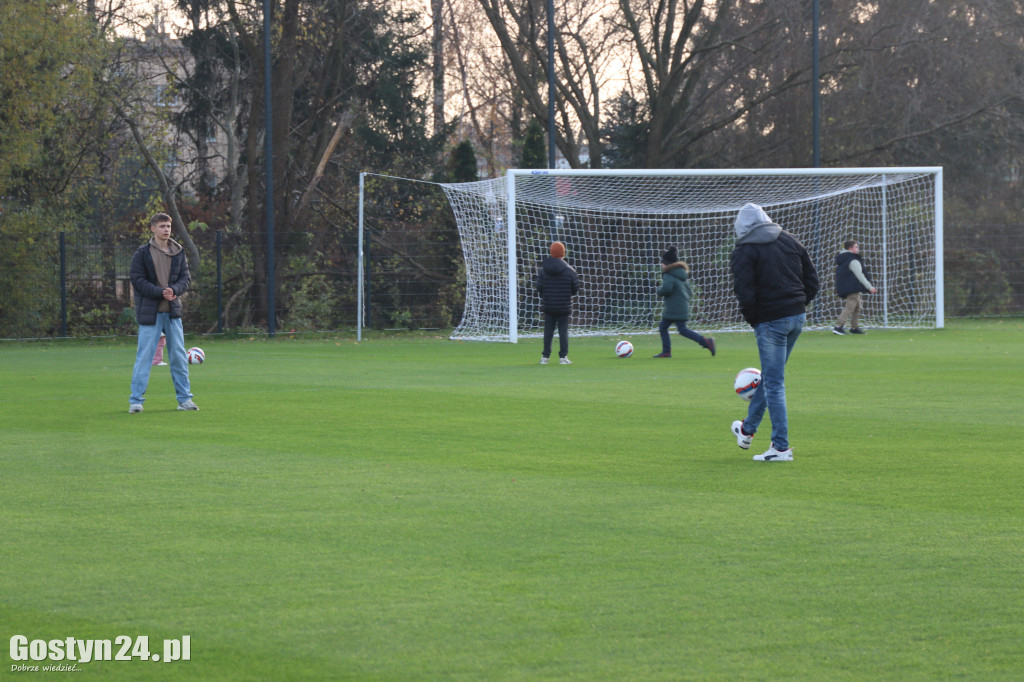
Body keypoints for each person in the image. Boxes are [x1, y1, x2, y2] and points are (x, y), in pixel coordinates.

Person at [729, 203, 818, 462]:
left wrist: (756, 320)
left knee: (775, 384)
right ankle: (746, 431)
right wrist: (798, 306)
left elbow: (745, 292)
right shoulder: (790, 239)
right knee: (770, 378)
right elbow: (812, 281)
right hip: (796, 317)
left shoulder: (744, 250)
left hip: (771, 321)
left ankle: (780, 448)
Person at [128, 212, 198, 413]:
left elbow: (185, 278)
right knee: (145, 357)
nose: (166, 229)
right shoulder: (142, 253)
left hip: (173, 314)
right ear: (152, 229)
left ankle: (185, 400)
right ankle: (136, 401)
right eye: (161, 226)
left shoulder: (178, 251)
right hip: (151, 315)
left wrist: (174, 290)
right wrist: (161, 292)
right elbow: (137, 280)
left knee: (178, 356)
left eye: (168, 226)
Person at [653, 246, 715, 358]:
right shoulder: (681, 274)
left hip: (674, 308)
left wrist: (659, 291)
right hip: (681, 306)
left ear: (667, 264)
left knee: (672, 328)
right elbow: (689, 291)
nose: (661, 265)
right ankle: (667, 351)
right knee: (675, 328)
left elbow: (667, 289)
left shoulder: (668, 274)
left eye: (662, 262)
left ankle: (705, 342)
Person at [535, 241, 579, 365]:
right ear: (563, 254)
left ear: (551, 253)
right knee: (563, 331)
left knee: (548, 331)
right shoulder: (570, 271)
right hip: (564, 306)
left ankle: (545, 357)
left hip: (549, 305)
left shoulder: (544, 270)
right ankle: (563, 357)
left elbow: (539, 287)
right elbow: (575, 288)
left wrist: (547, 296)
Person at [832, 240, 876, 335]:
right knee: (850, 307)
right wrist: (869, 287)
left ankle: (854, 328)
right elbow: (859, 275)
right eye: (856, 247)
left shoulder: (844, 258)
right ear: (850, 248)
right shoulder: (853, 260)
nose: (858, 249)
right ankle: (838, 327)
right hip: (852, 288)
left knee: (858, 306)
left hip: (848, 286)